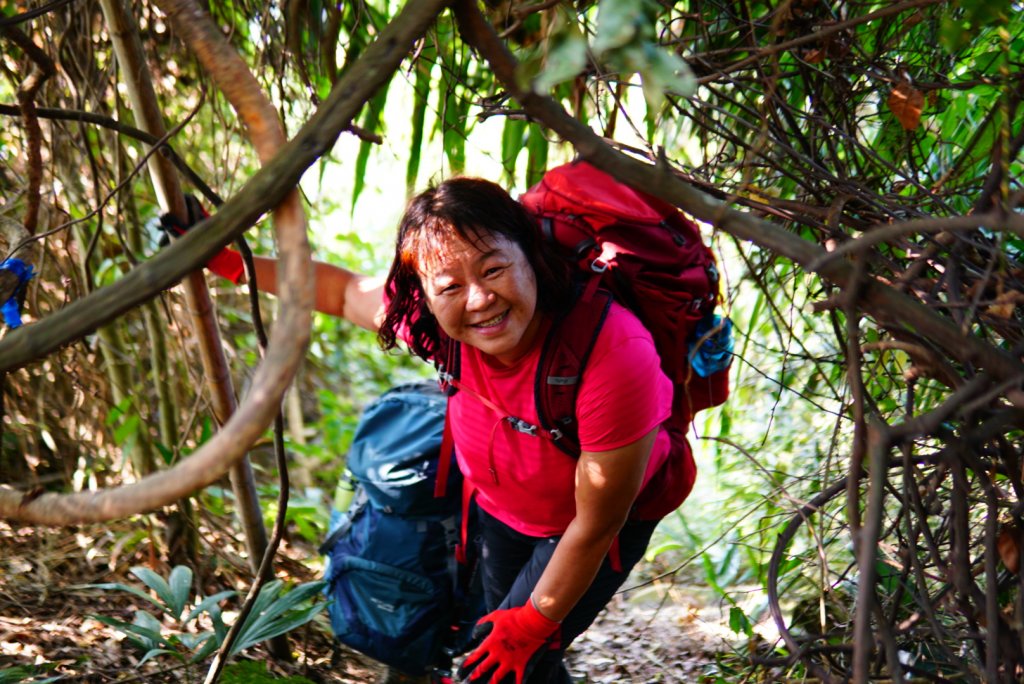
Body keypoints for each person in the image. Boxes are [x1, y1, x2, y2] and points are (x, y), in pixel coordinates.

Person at [202, 177, 676, 683]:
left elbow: (598, 522)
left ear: (531, 257)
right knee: (513, 659)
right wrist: (226, 261)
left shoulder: (612, 354)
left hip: (592, 525)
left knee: (504, 661)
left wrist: (532, 623)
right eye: (449, 286)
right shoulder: (435, 327)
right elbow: (341, 293)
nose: (479, 299)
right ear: (425, 295)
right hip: (504, 511)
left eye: (493, 269)